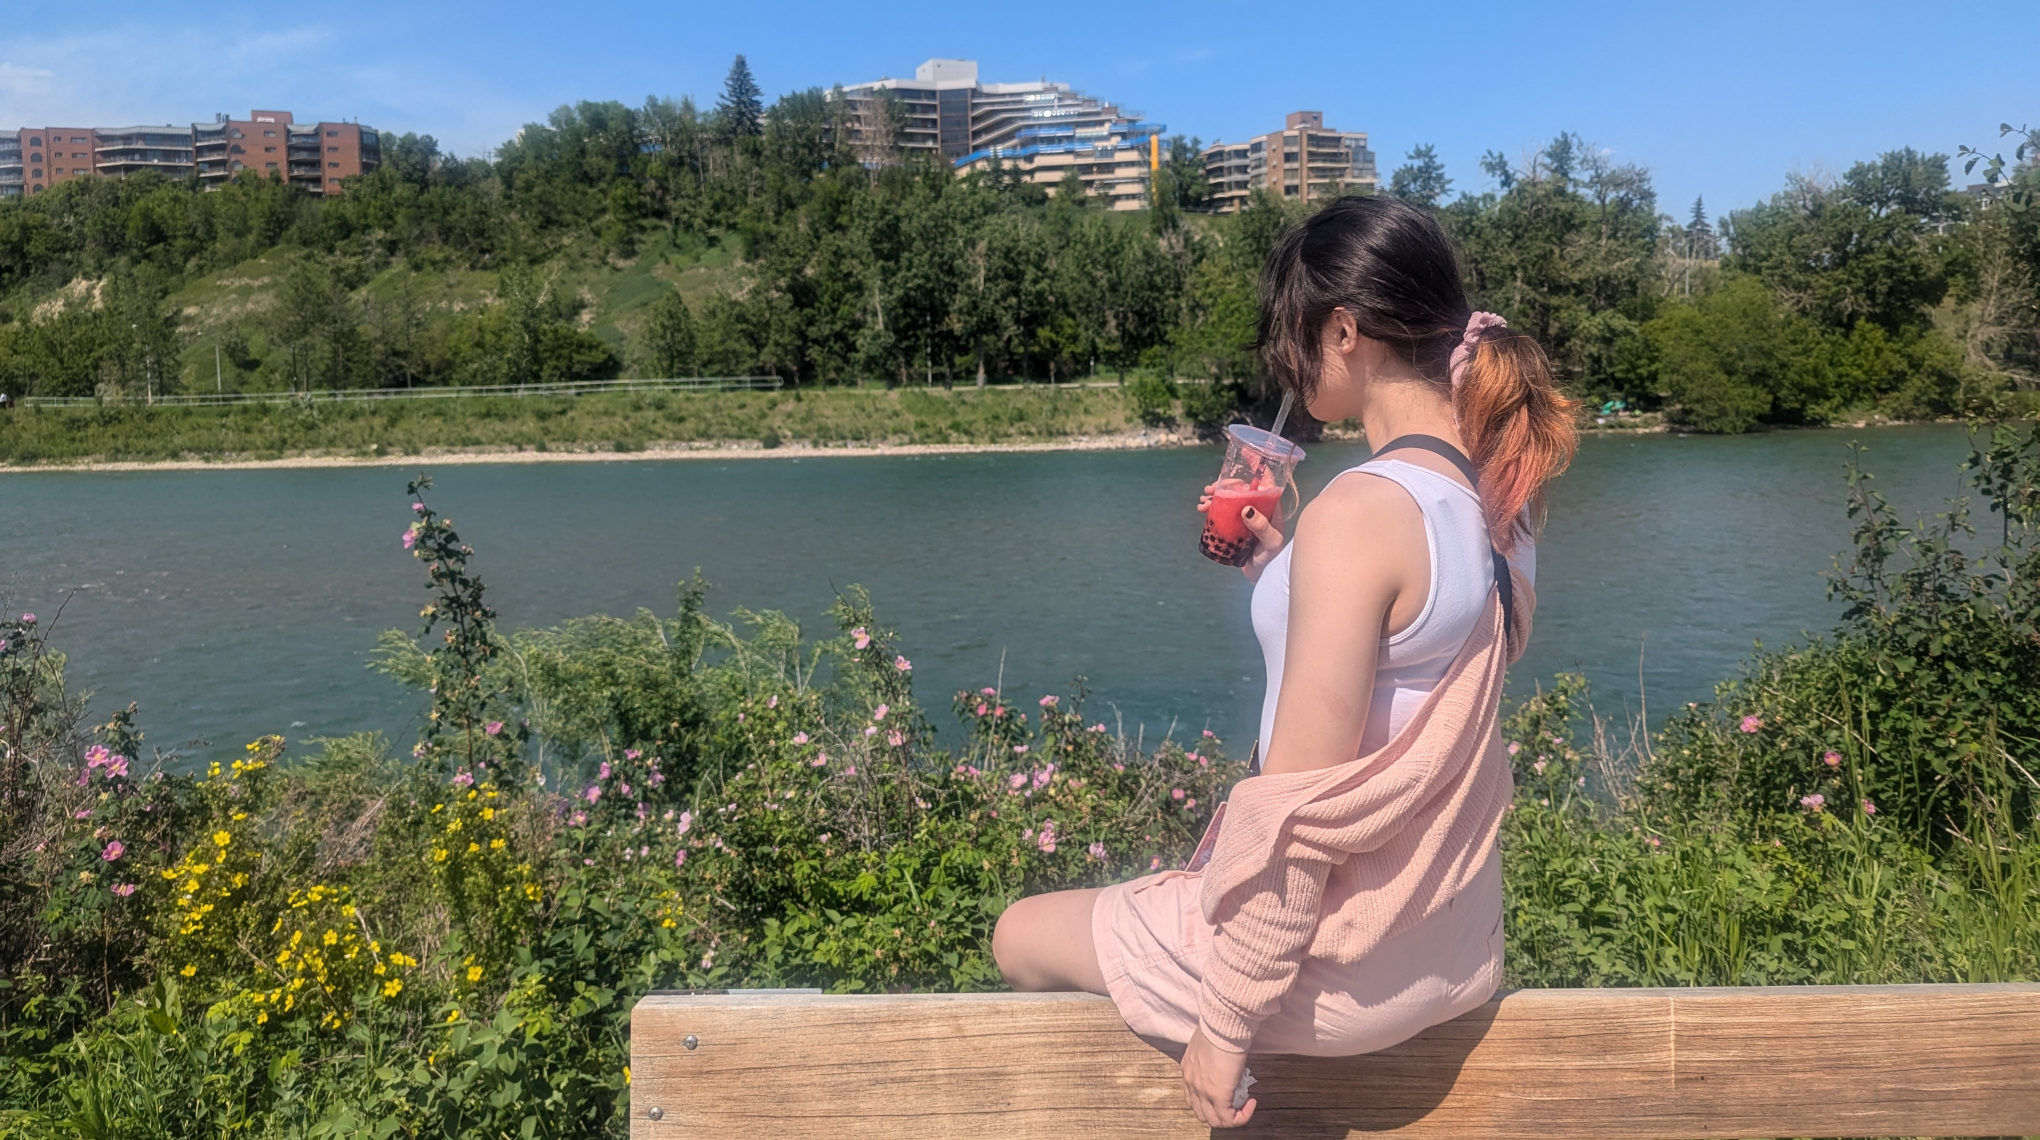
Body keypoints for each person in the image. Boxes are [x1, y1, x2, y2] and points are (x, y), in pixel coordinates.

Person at [990, 195, 1577, 1128]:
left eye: (1291, 338)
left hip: (1347, 963)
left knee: (1019, 935)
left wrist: (1226, 1022)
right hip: (1451, 945)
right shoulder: (1503, 496)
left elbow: (1295, 812)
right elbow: (1418, 666)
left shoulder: (1359, 513)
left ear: (1344, 330)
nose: (1285, 364)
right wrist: (1284, 569)